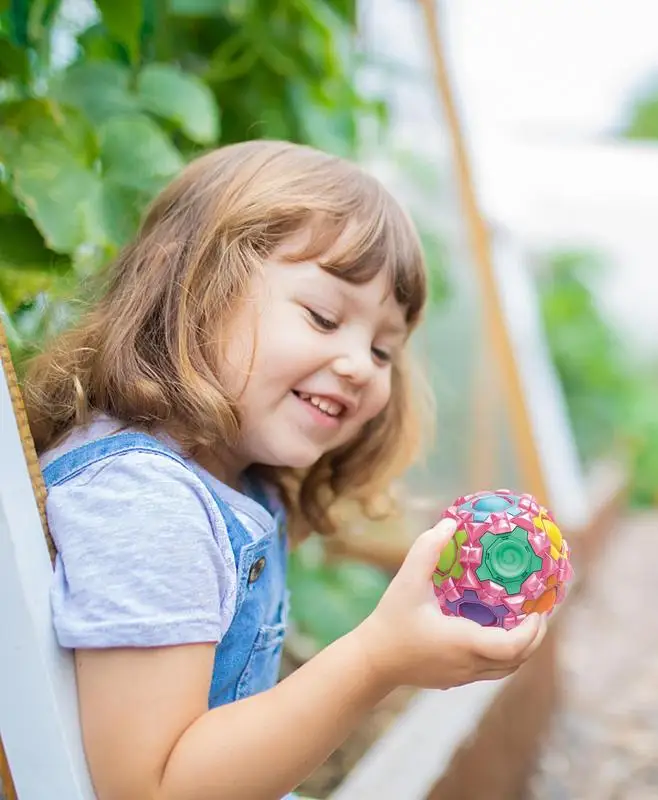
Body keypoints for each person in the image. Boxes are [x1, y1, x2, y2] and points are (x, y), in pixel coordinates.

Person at [23, 139, 548, 800]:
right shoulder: (146, 503)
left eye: (383, 350)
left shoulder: (228, 484)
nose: (359, 365)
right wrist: (375, 660)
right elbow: (152, 788)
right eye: (324, 317)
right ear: (192, 289)